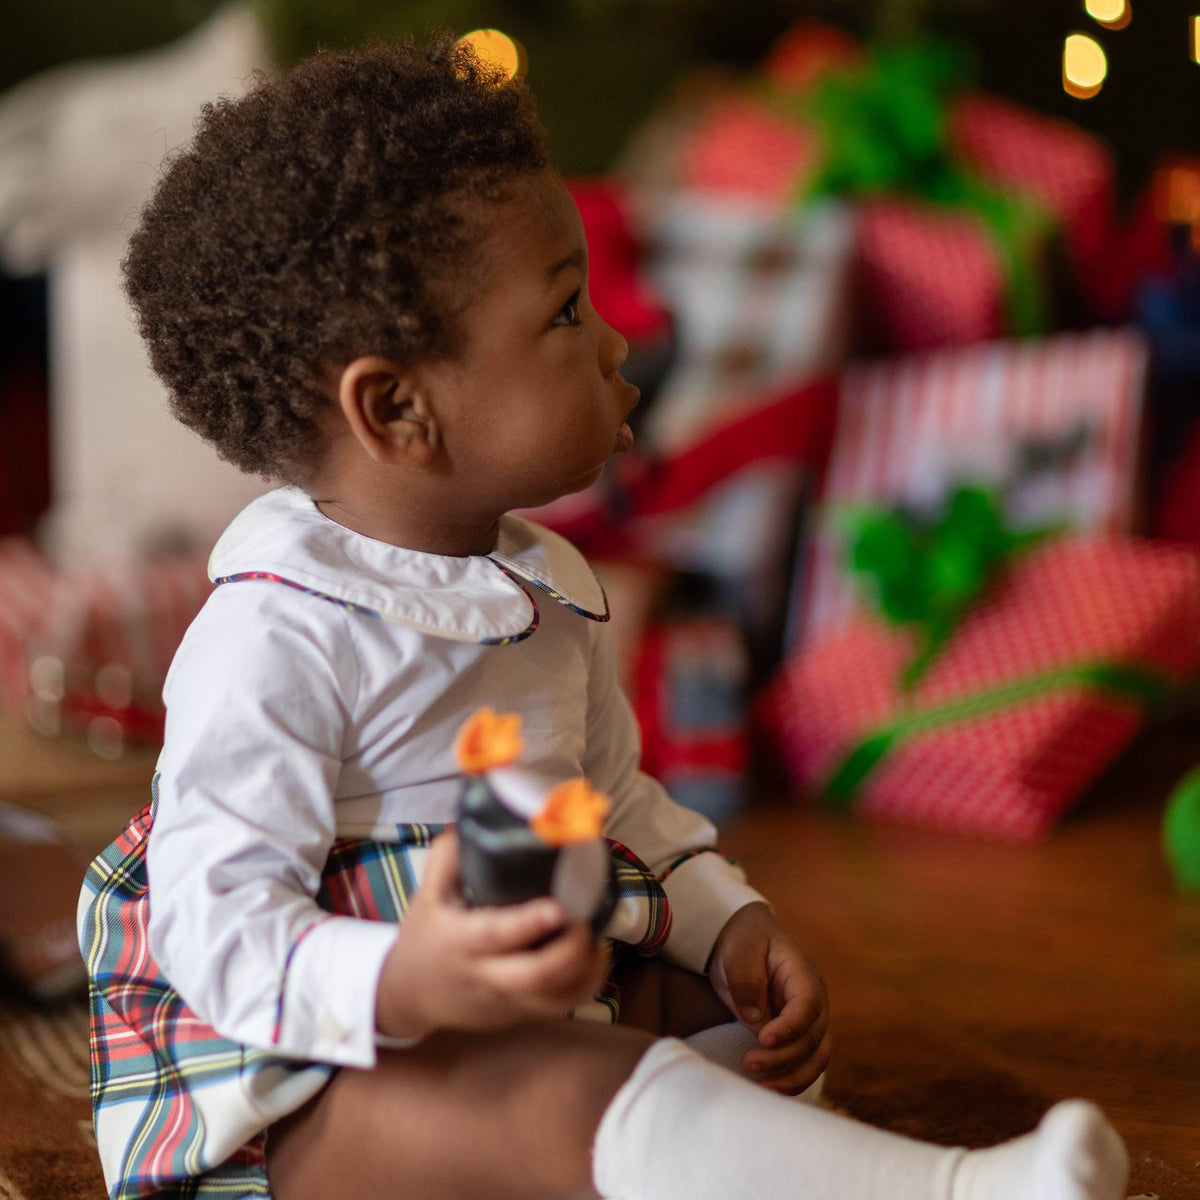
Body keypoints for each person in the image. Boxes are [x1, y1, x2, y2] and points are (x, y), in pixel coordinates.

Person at [79, 34, 1130, 1200]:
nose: (621, 341)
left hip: (514, 1021)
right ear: (397, 408)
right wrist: (406, 976)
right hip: (311, 1102)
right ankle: (952, 1191)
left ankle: (737, 1157)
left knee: (700, 1014)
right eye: (568, 312)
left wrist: (727, 922)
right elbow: (214, 931)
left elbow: (618, 806)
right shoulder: (274, 637)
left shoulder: (540, 586)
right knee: (565, 1084)